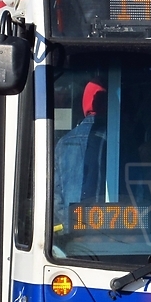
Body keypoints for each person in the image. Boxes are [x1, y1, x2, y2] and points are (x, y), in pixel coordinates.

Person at [53, 80, 108, 229]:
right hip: (109, 232)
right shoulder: (117, 141)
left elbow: (54, 193)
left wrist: (70, 224)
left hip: (72, 232)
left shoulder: (63, 142)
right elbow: (135, 190)